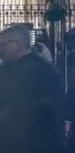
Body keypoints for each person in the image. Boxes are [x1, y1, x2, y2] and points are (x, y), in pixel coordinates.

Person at [0, 25, 65, 153]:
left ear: (16, 44)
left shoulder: (40, 70)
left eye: (3, 44)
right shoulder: (47, 68)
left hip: (30, 141)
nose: (1, 49)